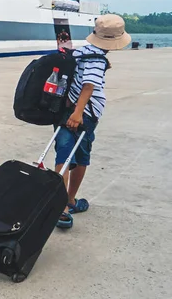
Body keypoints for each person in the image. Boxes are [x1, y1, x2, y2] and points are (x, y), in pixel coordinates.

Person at [54, 14, 131, 229]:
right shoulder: (97, 58)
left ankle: (58, 206)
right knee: (81, 157)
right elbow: (89, 86)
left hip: (64, 109)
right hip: (83, 115)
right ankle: (68, 202)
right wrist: (78, 114)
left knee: (63, 157)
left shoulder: (80, 52)